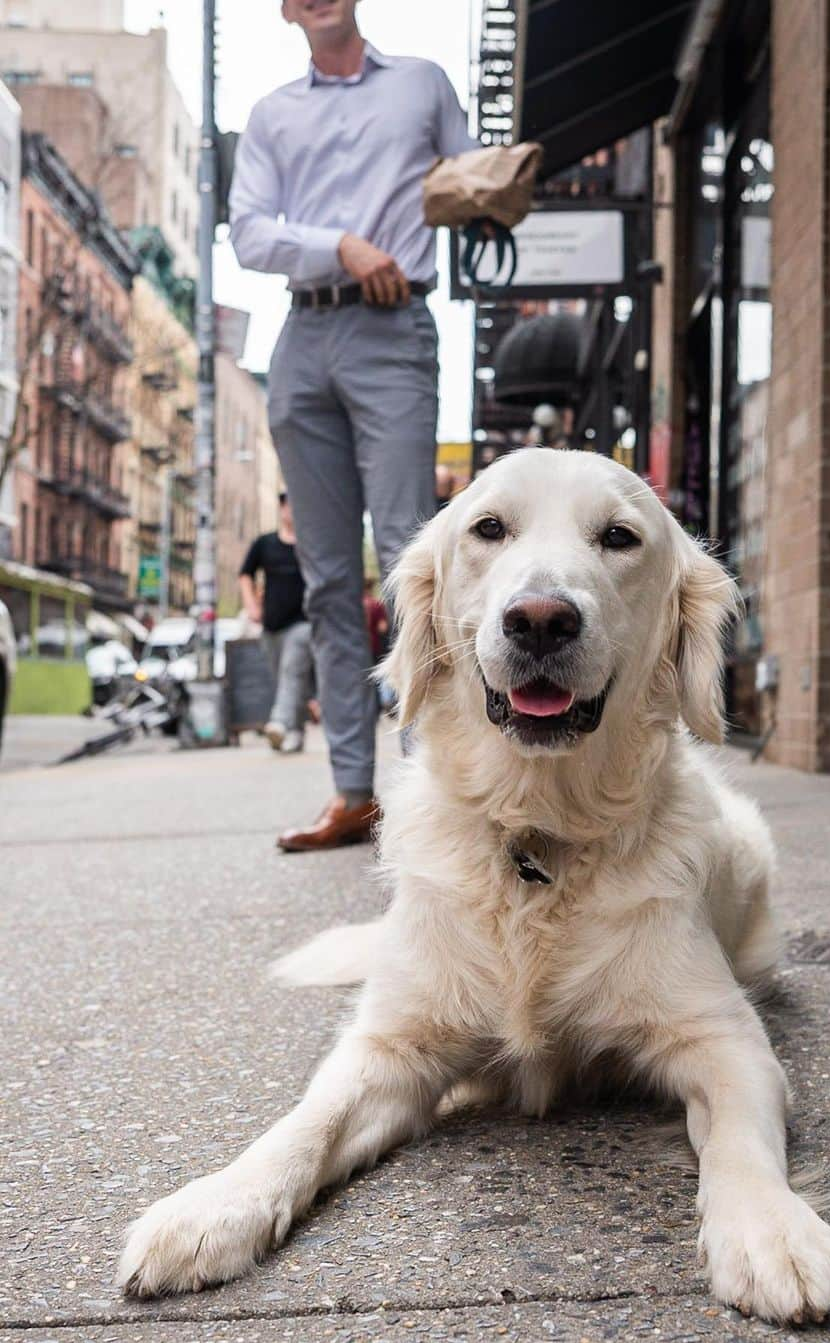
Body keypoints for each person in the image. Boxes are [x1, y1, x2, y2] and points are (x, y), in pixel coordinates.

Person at [229, 0, 475, 851]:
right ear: (288, 8)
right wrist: (340, 244)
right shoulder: (272, 115)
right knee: (329, 581)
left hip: (394, 327)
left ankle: (431, 795)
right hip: (303, 337)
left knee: (413, 561)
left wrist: (494, 184)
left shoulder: (422, 85)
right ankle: (353, 793)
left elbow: (473, 180)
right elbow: (250, 233)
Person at [239, 493, 314, 754]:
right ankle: (296, 731)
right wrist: (251, 605)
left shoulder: (309, 544)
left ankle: (281, 724)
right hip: (271, 625)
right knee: (286, 679)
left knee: (292, 673)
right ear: (281, 509)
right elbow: (245, 574)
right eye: (289, 505)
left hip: (303, 623)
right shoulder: (265, 543)